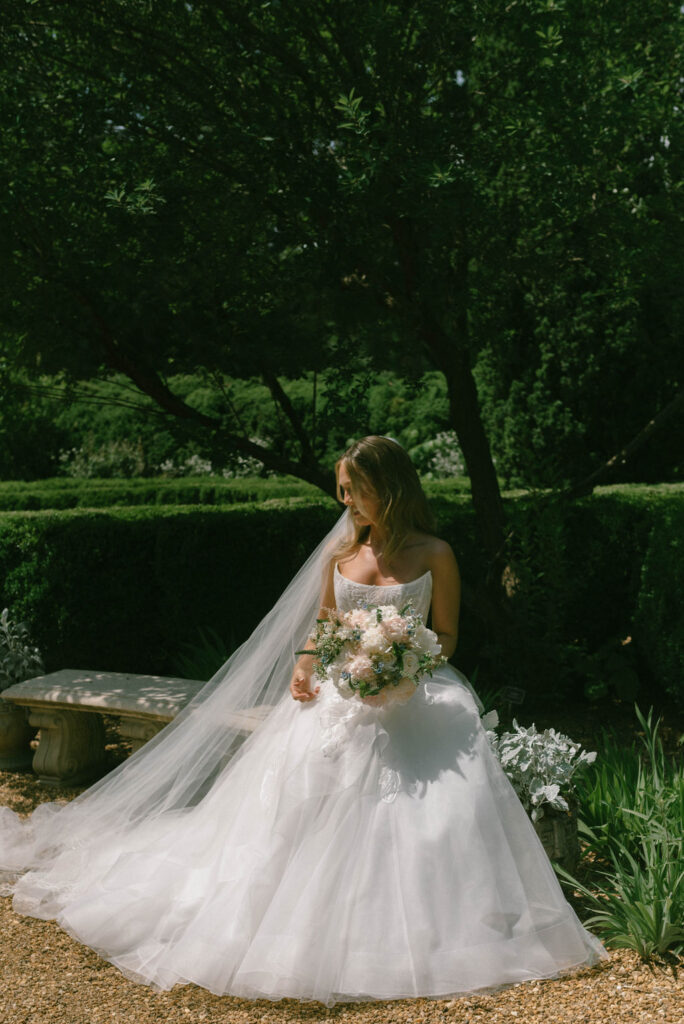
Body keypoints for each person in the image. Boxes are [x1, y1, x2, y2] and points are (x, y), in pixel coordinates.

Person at [0, 436, 606, 1006]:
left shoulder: (435, 554)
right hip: (342, 694)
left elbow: (446, 636)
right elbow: (323, 625)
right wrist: (306, 664)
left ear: (387, 488)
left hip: (417, 692)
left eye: (354, 490)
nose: (345, 503)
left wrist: (403, 663)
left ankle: (438, 927)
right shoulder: (342, 555)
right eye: (342, 491)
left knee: (435, 800)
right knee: (301, 795)